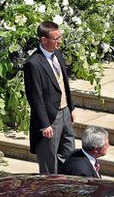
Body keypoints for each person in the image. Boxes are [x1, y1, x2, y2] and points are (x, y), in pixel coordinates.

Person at [24, 21, 76, 174]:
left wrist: (71, 108)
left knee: (68, 152)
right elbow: (35, 96)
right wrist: (44, 124)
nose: (59, 41)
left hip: (65, 112)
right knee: (49, 159)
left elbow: (65, 84)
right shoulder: (33, 64)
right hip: (49, 118)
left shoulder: (58, 54)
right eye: (56, 38)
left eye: (60, 37)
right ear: (43, 40)